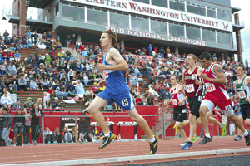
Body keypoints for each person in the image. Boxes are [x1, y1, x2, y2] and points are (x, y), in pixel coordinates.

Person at [86, 29, 158, 154]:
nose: (100, 39)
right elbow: (113, 73)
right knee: (92, 108)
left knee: (134, 116)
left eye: (103, 37)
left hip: (120, 90)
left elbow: (124, 66)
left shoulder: (113, 51)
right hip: (109, 89)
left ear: (110, 39)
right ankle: (108, 134)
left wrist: (105, 67)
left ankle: (152, 139)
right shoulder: (106, 53)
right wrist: (105, 80)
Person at [198, 52, 250, 145]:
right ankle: (207, 136)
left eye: (204, 62)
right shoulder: (203, 70)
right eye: (201, 62)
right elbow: (207, 83)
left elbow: (224, 81)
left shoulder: (216, 67)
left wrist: (209, 79)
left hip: (221, 96)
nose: (203, 64)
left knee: (232, 117)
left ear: (210, 60)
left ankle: (246, 133)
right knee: (202, 111)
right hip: (210, 96)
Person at [181, 54, 226, 150]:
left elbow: (206, 81)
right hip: (190, 97)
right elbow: (183, 84)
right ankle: (212, 118)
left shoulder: (200, 69)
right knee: (196, 120)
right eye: (186, 59)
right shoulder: (184, 72)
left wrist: (200, 83)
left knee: (192, 117)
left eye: (189, 59)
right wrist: (181, 89)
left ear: (194, 60)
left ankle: (190, 141)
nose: (187, 61)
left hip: (199, 96)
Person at [167, 76, 189, 146]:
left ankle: (192, 120)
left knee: (178, 124)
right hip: (175, 108)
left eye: (173, 79)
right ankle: (186, 141)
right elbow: (173, 99)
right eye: (171, 79)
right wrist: (167, 101)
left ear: (176, 80)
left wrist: (182, 100)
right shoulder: (170, 89)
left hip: (182, 107)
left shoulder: (180, 87)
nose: (172, 80)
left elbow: (187, 96)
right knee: (178, 126)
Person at [232, 65, 250, 141]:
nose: (238, 71)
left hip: (249, 103)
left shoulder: (247, 78)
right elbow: (237, 95)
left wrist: (249, 97)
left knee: (247, 122)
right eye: (237, 70)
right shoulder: (235, 82)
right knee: (239, 119)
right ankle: (239, 135)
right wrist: (234, 97)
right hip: (242, 104)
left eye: (240, 69)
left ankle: (247, 135)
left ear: (243, 71)